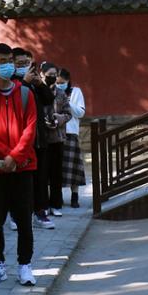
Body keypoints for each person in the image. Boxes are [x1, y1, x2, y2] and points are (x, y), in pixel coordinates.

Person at [0, 43, 39, 287]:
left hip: (23, 167)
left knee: (24, 219)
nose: (8, 65)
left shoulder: (26, 94)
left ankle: (25, 265)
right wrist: (7, 156)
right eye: (2, 61)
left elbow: (30, 130)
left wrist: (15, 157)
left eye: (10, 60)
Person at [13, 48, 55, 230]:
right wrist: (24, 82)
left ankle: (40, 212)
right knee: (20, 181)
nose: (24, 66)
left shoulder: (34, 83)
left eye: (26, 63)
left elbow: (49, 99)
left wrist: (39, 84)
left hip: (39, 139)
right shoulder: (11, 84)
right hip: (20, 141)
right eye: (20, 63)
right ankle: (17, 214)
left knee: (40, 179)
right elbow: (14, 104)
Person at [41, 62, 71, 217]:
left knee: (56, 174)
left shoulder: (61, 93)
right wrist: (44, 121)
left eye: (54, 74)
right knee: (42, 174)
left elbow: (68, 113)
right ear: (42, 74)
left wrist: (58, 118)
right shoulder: (37, 92)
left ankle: (56, 204)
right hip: (42, 139)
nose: (52, 77)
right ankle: (43, 205)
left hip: (57, 138)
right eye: (49, 74)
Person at [60, 68, 86, 208]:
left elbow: (80, 113)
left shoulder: (76, 92)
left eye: (62, 82)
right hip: (56, 133)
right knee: (57, 167)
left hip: (70, 133)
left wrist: (67, 102)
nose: (60, 85)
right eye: (58, 83)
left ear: (68, 81)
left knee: (73, 167)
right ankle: (57, 196)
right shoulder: (52, 92)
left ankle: (74, 196)